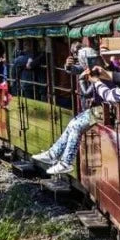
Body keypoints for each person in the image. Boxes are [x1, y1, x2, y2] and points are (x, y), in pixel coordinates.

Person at [31, 44, 100, 174]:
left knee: (76, 126)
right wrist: (68, 67)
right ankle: (53, 154)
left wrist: (81, 80)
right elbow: (74, 69)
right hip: (97, 110)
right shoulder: (93, 68)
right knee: (73, 123)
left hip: (101, 111)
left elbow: (86, 92)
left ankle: (66, 162)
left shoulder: (99, 72)